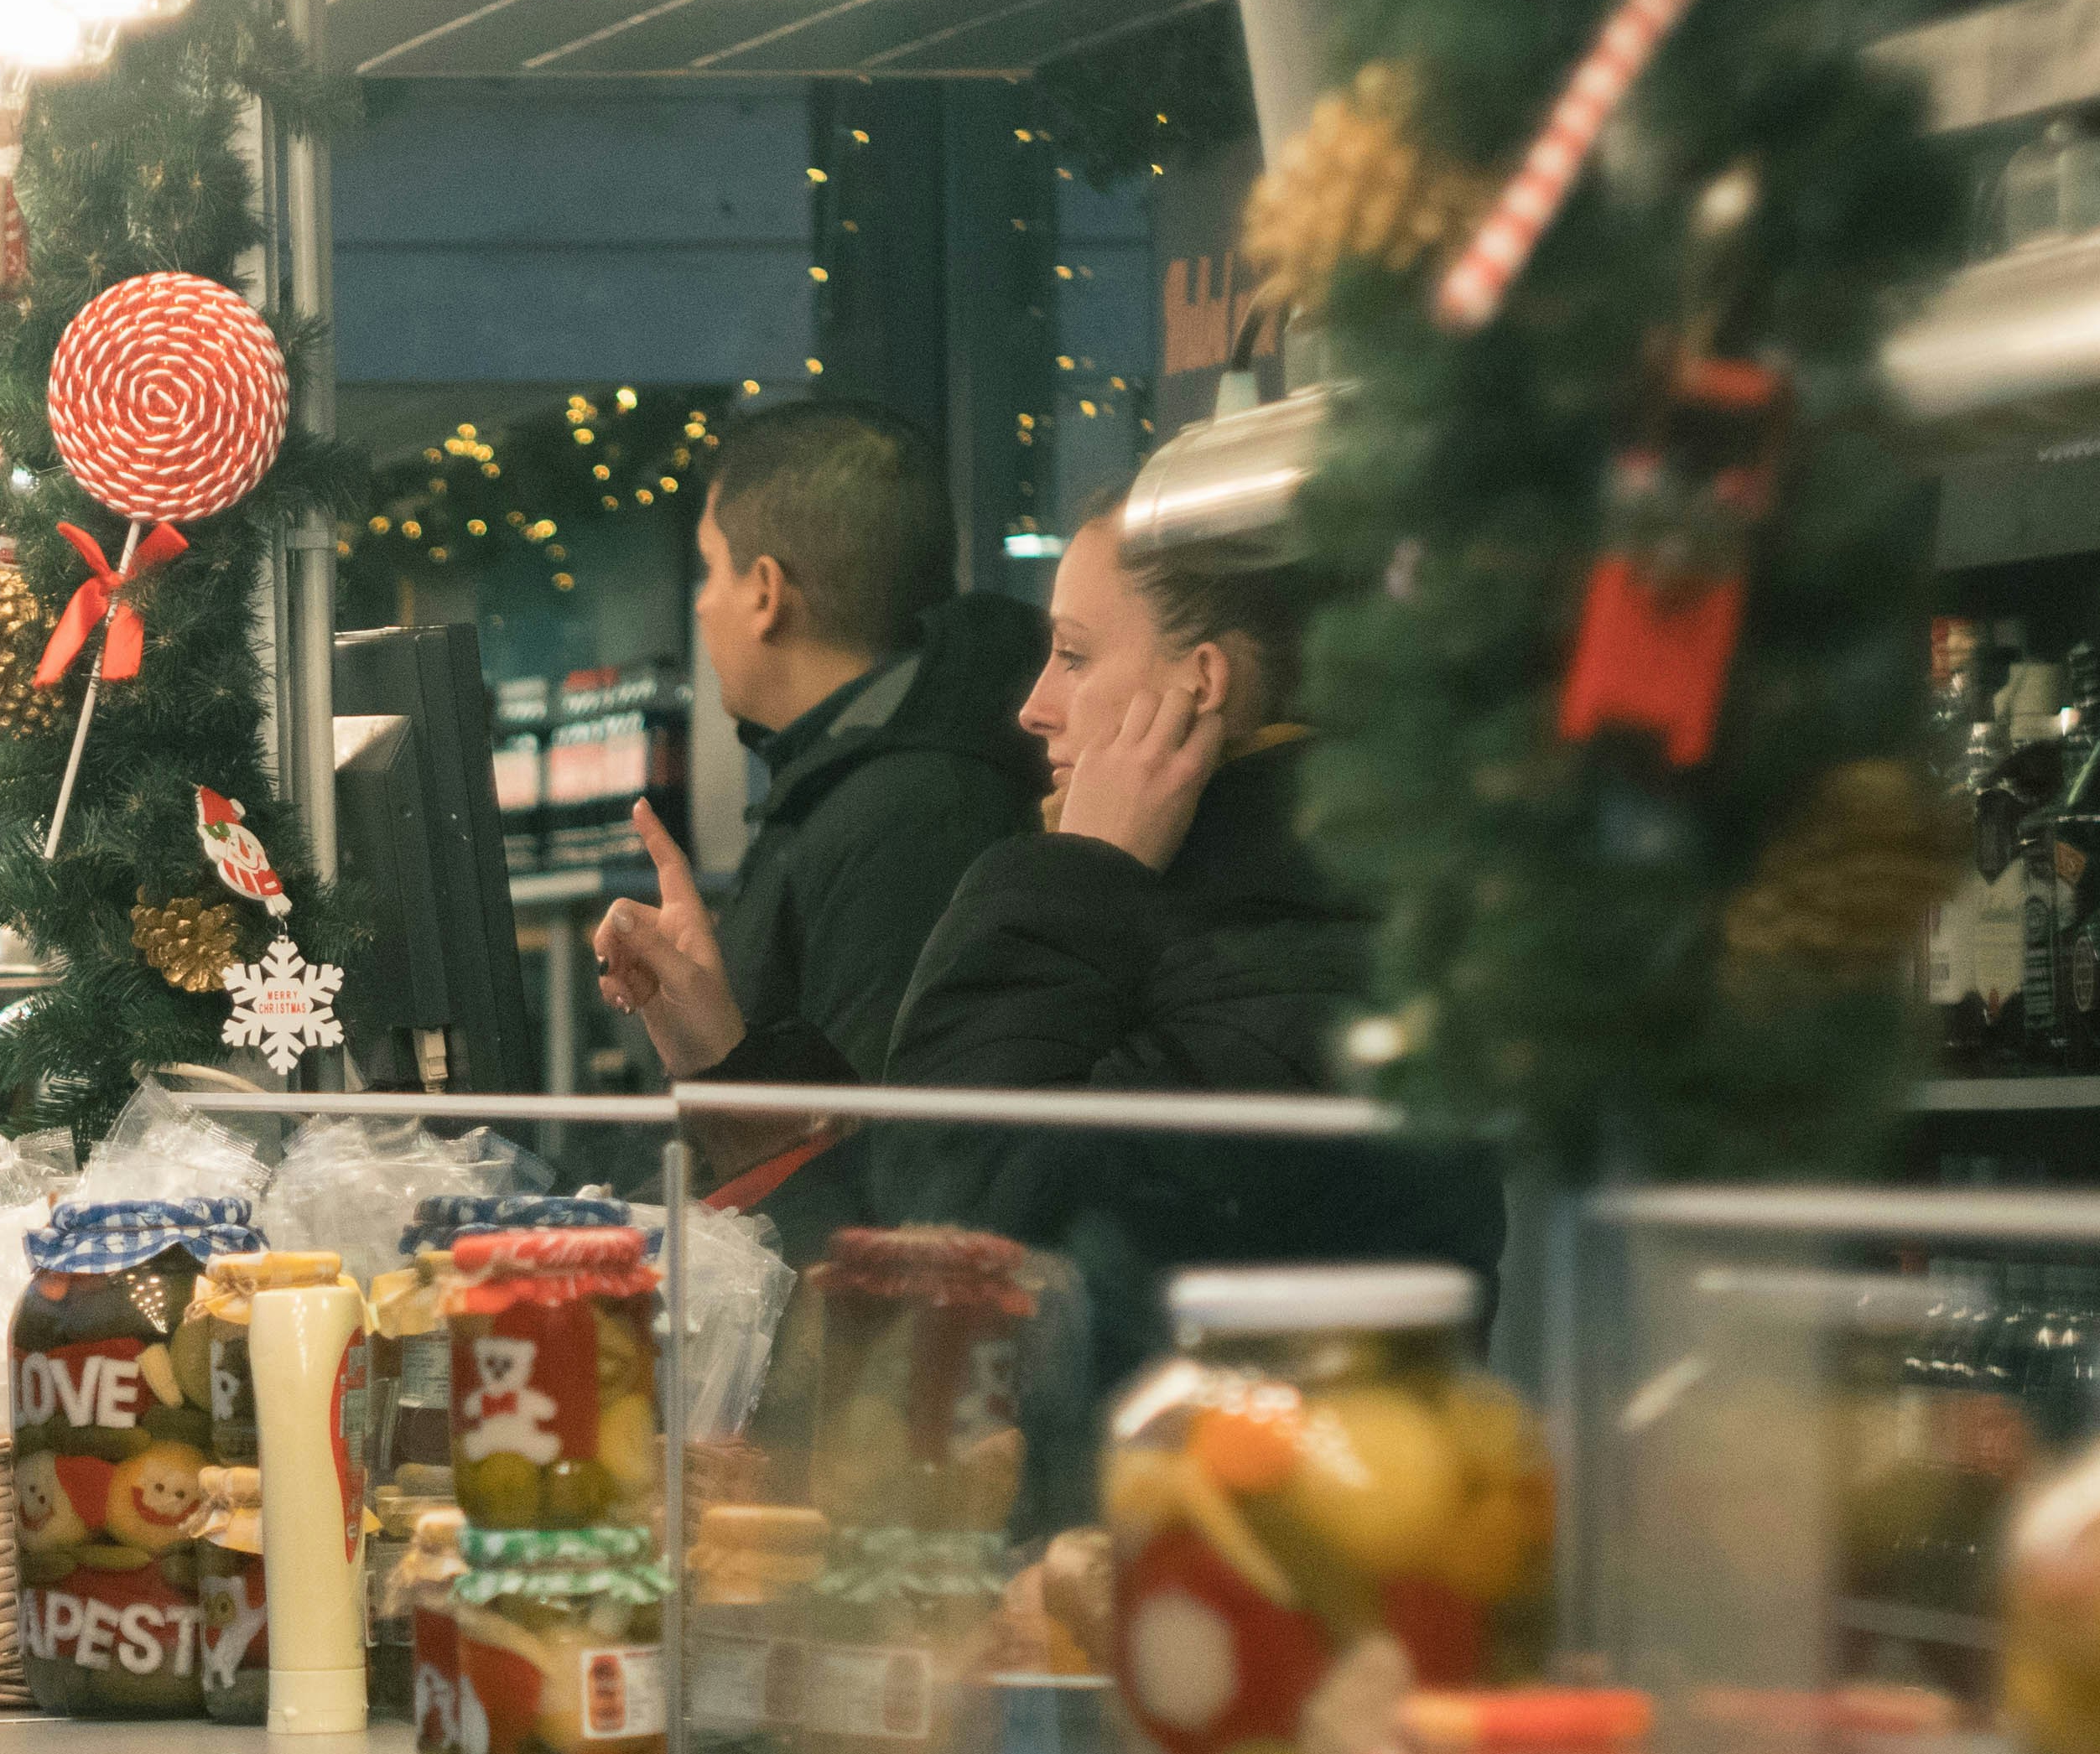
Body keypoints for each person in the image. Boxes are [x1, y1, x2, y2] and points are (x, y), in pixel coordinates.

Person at [621, 480, 1505, 1365]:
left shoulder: (1292, 964)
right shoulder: (1227, 917)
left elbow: (952, 1244)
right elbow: (928, 1192)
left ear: (1201, 688)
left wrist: (1073, 874)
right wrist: (733, 1069)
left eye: (1073, 657)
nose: (1032, 706)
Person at [590, 399, 1047, 1082]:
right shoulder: (846, 786)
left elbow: (863, 1162)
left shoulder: (911, 818)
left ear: (767, 593)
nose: (700, 601)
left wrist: (719, 1058)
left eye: (712, 567)